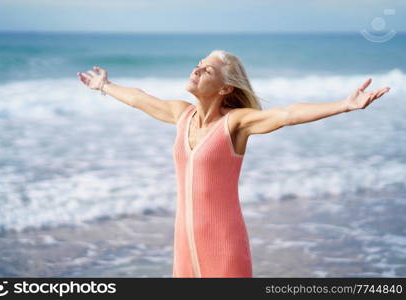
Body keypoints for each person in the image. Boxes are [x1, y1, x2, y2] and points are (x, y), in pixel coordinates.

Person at [77, 49, 390, 278]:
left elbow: (287, 114)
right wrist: (104, 86)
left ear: (226, 88)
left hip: (223, 244)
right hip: (184, 241)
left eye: (207, 71)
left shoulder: (236, 123)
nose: (196, 71)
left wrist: (344, 106)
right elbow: (140, 98)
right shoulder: (181, 114)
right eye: (198, 66)